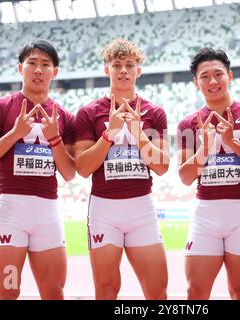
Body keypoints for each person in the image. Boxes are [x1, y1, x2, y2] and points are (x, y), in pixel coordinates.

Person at [0, 39, 76, 300]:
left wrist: (54, 139)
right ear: (21, 69)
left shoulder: (65, 116)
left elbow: (70, 172)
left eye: (45, 64)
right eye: (32, 63)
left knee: (53, 293)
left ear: (55, 72)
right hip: (11, 212)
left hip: (47, 213)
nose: (38, 70)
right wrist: (14, 134)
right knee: (8, 291)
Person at [74, 38, 170, 300]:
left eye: (130, 65)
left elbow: (162, 166)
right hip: (104, 208)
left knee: (157, 291)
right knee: (106, 290)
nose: (124, 70)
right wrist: (110, 133)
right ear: (107, 70)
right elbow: (82, 168)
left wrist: (139, 134)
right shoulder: (89, 113)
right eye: (117, 65)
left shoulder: (155, 112)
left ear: (139, 70)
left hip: (142, 208)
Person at [177, 48, 240, 300]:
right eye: (204, 76)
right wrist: (204, 147)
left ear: (230, 76)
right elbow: (185, 176)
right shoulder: (188, 123)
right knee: (196, 292)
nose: (212, 81)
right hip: (206, 215)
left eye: (218, 74)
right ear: (196, 82)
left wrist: (232, 142)